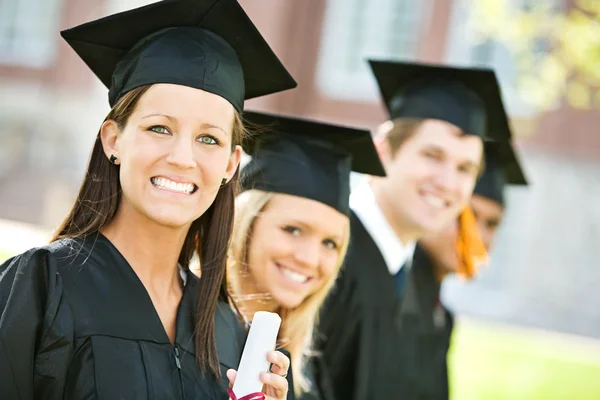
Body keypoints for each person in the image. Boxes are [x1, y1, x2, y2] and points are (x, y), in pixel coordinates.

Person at [0, 0, 298, 399]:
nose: (182, 158)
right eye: (159, 128)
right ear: (113, 140)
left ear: (231, 164)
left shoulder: (232, 334)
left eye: (208, 139)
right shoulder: (41, 285)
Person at [317, 60, 513, 400]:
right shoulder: (327, 255)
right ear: (382, 151)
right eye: (432, 156)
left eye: (465, 169)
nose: (447, 183)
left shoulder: (414, 280)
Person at [227, 112, 386, 400]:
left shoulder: (303, 367)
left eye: (330, 243)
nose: (310, 259)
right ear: (246, 223)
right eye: (293, 230)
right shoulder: (188, 327)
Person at [396, 141, 528, 399]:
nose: (476, 235)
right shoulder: (390, 296)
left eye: (492, 224)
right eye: (466, 216)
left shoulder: (441, 317)